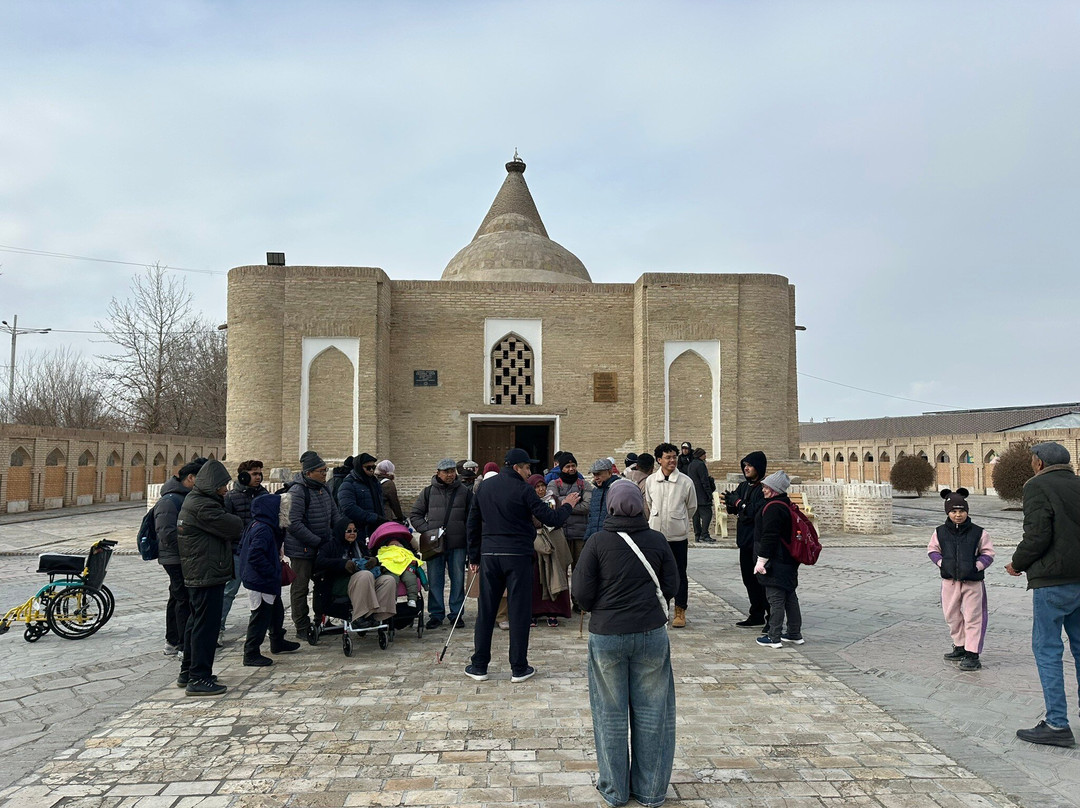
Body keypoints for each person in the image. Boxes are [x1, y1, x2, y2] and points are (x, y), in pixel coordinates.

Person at [573, 479, 678, 808]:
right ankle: (650, 792)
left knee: (610, 715)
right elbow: (672, 585)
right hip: (650, 632)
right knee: (653, 713)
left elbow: (582, 596)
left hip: (607, 634)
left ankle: (615, 790)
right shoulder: (657, 541)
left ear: (610, 506)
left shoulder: (597, 543)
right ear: (642, 505)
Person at [465, 448, 580, 683]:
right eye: (527, 467)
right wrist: (567, 505)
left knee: (486, 610)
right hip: (517, 556)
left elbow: (473, 523)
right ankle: (518, 667)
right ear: (517, 467)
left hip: (490, 555)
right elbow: (551, 519)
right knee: (518, 611)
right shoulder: (523, 489)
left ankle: (479, 666)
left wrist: (474, 556)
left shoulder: (484, 487)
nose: (530, 471)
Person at [1005, 441, 1080, 748]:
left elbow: (1037, 534)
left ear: (1038, 463)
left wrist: (1017, 563)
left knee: (1048, 650)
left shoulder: (1037, 486)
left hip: (1052, 582)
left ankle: (1057, 724)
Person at [176, 459, 243, 696]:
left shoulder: (198, 501)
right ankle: (199, 677)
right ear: (213, 485)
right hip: (206, 573)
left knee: (197, 623)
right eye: (224, 485)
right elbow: (234, 526)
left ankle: (189, 671)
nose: (226, 490)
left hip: (203, 572)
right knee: (206, 627)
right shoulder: (204, 506)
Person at [927, 488, 995, 671]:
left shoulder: (979, 533)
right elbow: (932, 550)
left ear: (967, 511)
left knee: (974, 617)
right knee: (951, 614)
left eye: (961, 511)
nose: (958, 515)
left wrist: (976, 566)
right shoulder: (940, 532)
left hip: (972, 582)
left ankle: (972, 654)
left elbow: (988, 553)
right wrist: (942, 563)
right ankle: (960, 645)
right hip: (949, 581)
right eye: (954, 511)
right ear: (947, 512)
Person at [238, 492, 301, 666]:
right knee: (260, 615)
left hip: (263, 579)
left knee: (276, 611)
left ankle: (277, 641)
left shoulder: (263, 525)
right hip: (260, 580)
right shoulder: (263, 529)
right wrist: (272, 571)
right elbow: (255, 555)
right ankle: (251, 653)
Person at [284, 450, 339, 642]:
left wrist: (340, 533)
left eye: (326, 470)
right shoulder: (297, 491)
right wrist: (316, 540)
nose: (325, 474)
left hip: (323, 547)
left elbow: (334, 515)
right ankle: (301, 624)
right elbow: (293, 523)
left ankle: (321, 618)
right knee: (300, 588)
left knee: (323, 584)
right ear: (309, 473)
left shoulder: (324, 489)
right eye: (322, 471)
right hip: (302, 550)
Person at [410, 458, 471, 630]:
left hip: (457, 543)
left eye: (452, 471)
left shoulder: (464, 492)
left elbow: (472, 516)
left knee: (458, 579)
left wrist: (466, 533)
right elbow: (415, 515)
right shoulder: (428, 492)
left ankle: (456, 613)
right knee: (435, 580)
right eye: (447, 472)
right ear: (438, 473)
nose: (450, 475)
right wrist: (429, 531)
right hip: (434, 545)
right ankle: (436, 614)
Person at [644, 443, 696, 629]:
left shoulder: (685, 482)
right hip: (656, 536)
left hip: (678, 537)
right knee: (656, 574)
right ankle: (659, 609)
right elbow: (649, 504)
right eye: (668, 457)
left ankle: (680, 610)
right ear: (659, 460)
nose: (672, 460)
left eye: (674, 457)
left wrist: (678, 520)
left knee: (679, 574)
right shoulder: (651, 481)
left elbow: (691, 507)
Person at [155, 458, 204, 657]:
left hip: (184, 556)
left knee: (177, 598)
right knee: (183, 599)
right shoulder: (170, 500)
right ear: (191, 478)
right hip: (176, 558)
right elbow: (167, 534)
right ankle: (183, 644)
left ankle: (174, 640)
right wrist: (189, 550)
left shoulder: (185, 497)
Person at [316, 518, 397, 630]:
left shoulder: (359, 545)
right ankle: (359, 616)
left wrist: (374, 561)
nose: (352, 534)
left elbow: (367, 558)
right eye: (349, 531)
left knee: (388, 580)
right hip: (341, 582)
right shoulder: (331, 546)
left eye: (354, 531)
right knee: (365, 575)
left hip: (364, 580)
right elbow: (319, 562)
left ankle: (377, 615)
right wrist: (342, 563)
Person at [752, 471, 802, 649]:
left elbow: (770, 537)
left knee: (776, 598)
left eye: (766, 487)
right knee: (789, 595)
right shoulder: (785, 504)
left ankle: (774, 636)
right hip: (788, 559)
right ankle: (795, 633)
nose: (763, 489)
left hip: (776, 560)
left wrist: (761, 560)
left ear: (774, 489)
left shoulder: (773, 508)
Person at [221, 459, 269, 643]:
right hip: (238, 552)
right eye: (254, 473)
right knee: (229, 591)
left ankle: (262, 629)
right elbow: (226, 526)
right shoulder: (231, 497)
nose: (258, 477)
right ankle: (218, 628)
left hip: (259, 553)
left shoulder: (264, 495)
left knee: (263, 592)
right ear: (243, 475)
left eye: (259, 473)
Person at [724, 452, 770, 629]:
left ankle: (771, 617)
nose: (746, 468)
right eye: (744, 465)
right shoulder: (743, 486)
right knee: (749, 580)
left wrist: (739, 504)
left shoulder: (764, 489)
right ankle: (756, 614)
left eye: (750, 465)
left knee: (762, 581)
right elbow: (735, 507)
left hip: (758, 543)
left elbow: (754, 511)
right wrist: (732, 502)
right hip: (744, 541)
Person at [529, 474, 572, 627]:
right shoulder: (528, 501)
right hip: (536, 543)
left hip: (553, 540)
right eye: (537, 487)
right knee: (535, 578)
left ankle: (553, 611)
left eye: (542, 486)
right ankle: (533, 612)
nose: (541, 489)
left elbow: (559, 518)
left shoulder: (554, 499)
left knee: (554, 574)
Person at [546, 452, 591, 570]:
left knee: (581, 569)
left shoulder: (584, 485)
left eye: (573, 466)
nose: (571, 469)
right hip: (561, 534)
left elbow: (587, 506)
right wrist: (573, 502)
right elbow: (552, 505)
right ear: (562, 468)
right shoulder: (553, 484)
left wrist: (566, 505)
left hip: (580, 534)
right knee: (560, 570)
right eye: (567, 467)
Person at [336, 452, 387, 544]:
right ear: (359, 467)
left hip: (375, 528)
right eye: (368, 467)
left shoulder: (375, 483)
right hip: (357, 530)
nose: (371, 470)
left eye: (373, 467)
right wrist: (373, 518)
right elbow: (349, 508)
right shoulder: (348, 484)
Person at [370, 524, 423, 608]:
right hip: (390, 568)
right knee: (392, 580)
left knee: (411, 578)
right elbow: (379, 558)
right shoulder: (383, 550)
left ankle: (412, 598)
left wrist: (415, 562)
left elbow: (413, 557)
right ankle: (392, 599)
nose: (395, 545)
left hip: (405, 567)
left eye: (397, 543)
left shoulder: (404, 550)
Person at [687, 447, 716, 544]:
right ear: (700, 455)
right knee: (707, 514)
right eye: (704, 454)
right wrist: (709, 494)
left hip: (694, 495)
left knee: (696, 516)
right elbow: (704, 481)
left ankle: (697, 535)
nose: (705, 456)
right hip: (702, 495)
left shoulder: (691, 465)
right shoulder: (701, 465)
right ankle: (705, 534)